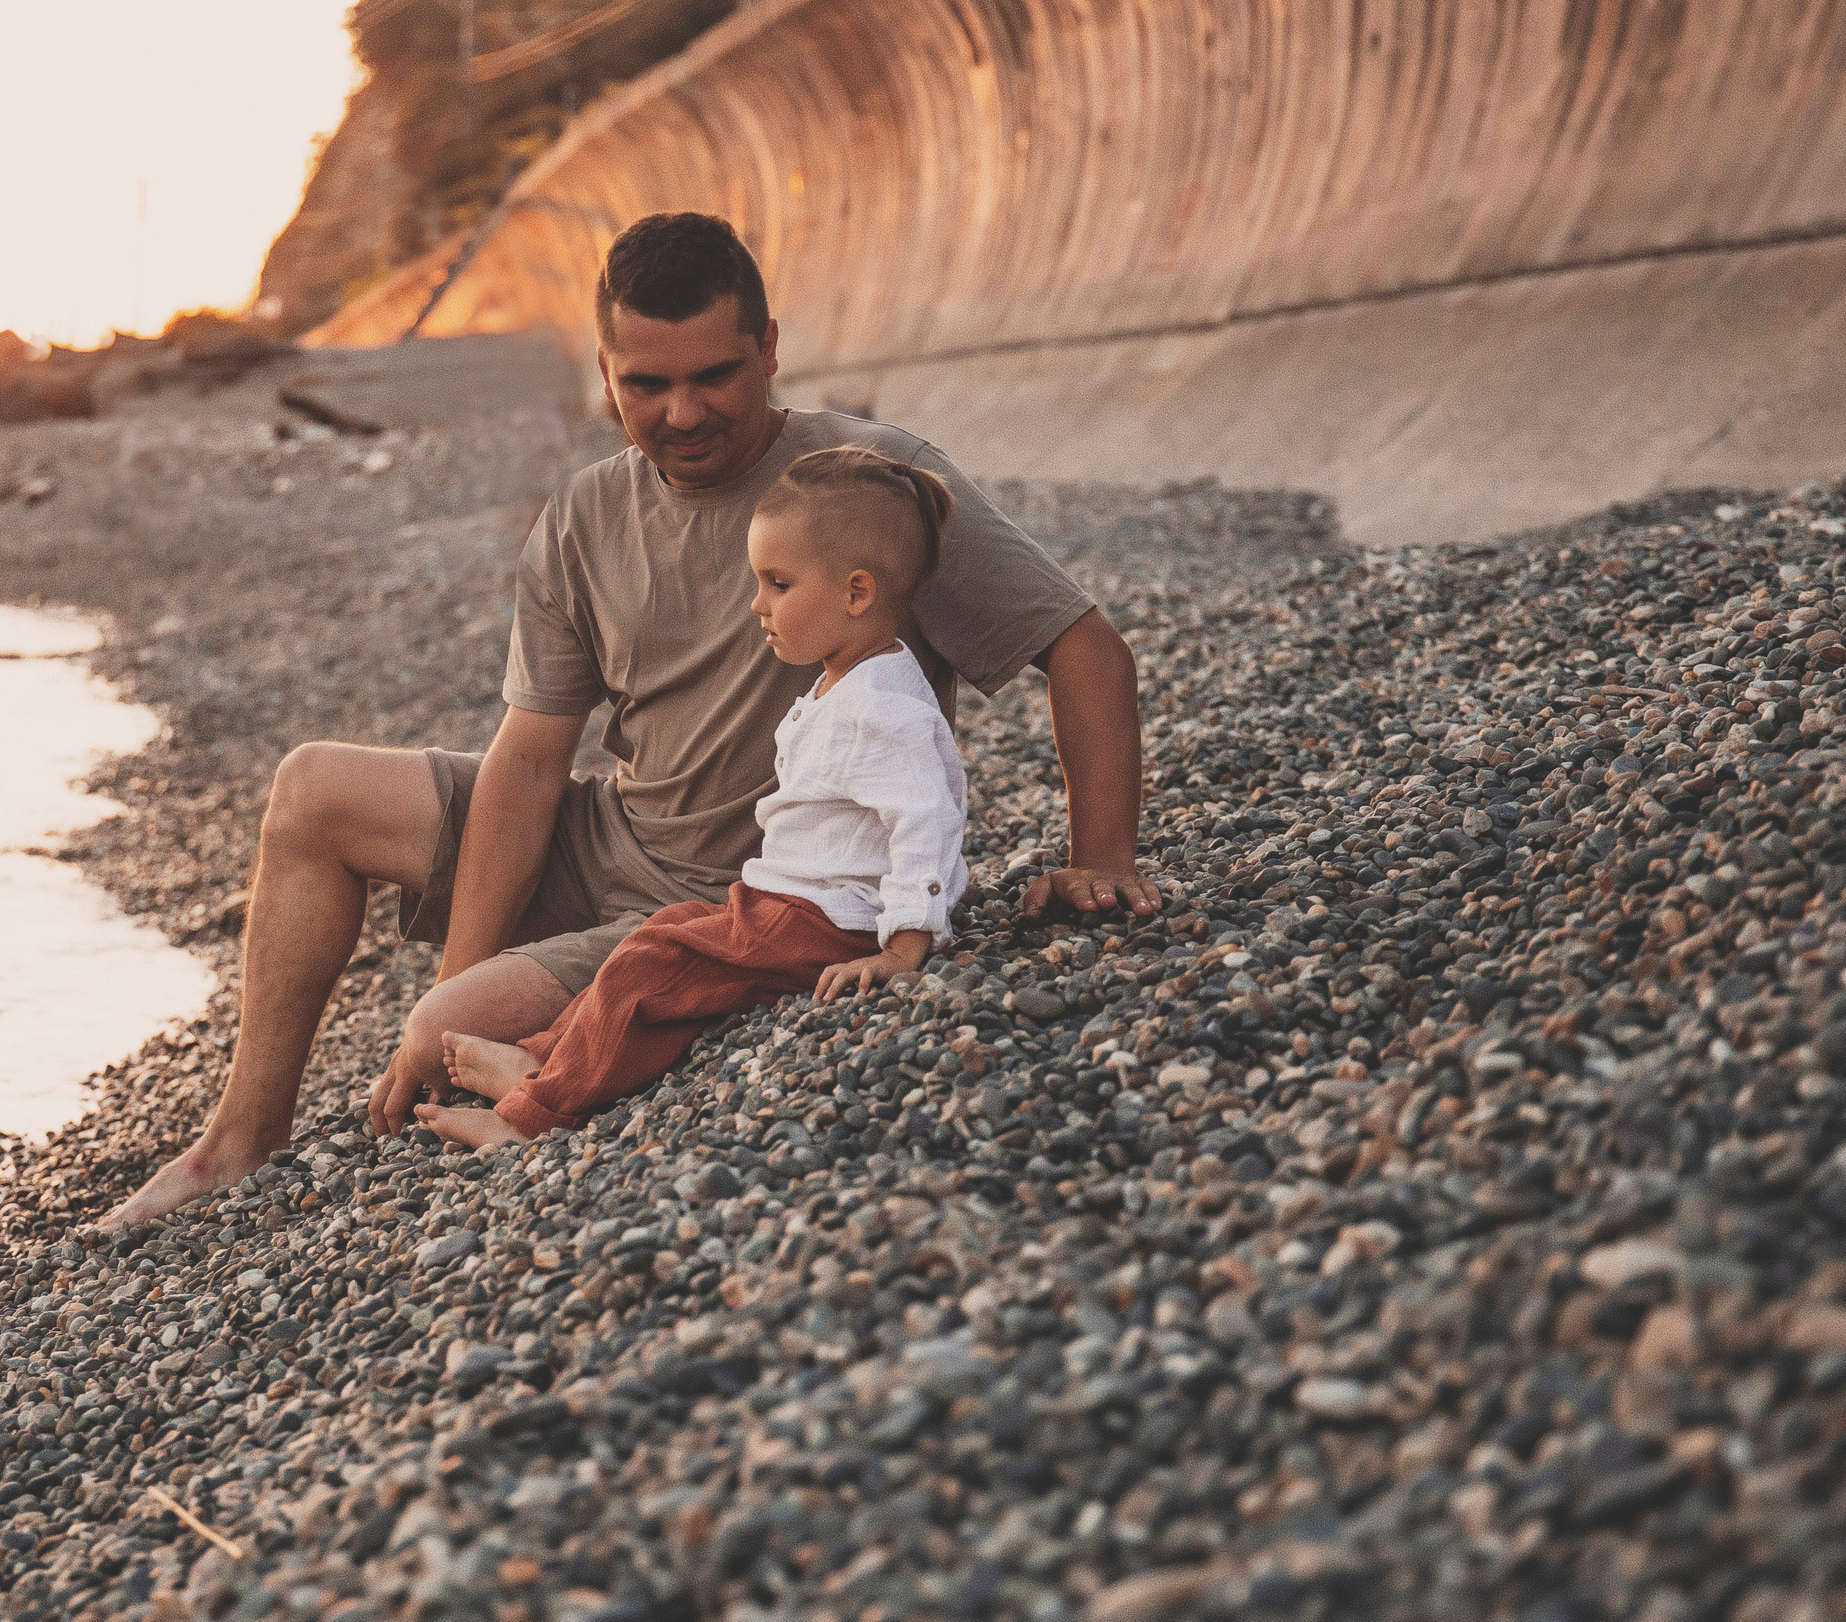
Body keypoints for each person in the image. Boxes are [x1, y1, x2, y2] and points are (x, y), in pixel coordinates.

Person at [105, 210, 1156, 1230]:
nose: (683, 414)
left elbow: (1081, 646)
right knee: (313, 788)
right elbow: (526, 766)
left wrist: (1099, 855)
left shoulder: (864, 487)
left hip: (744, 898)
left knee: (452, 1030)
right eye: (645, 385)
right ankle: (238, 1140)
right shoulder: (584, 515)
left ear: (770, 351)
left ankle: (500, 1029)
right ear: (604, 375)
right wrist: (455, 976)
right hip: (611, 833)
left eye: (713, 376)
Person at [416, 446, 968, 1146]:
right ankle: (543, 1058)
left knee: (649, 970)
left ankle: (529, 1117)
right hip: (793, 906)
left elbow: (927, 819)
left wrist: (904, 946)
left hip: (824, 919)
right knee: (658, 939)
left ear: (855, 594)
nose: (757, 604)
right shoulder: (850, 678)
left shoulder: (885, 708)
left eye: (777, 583)